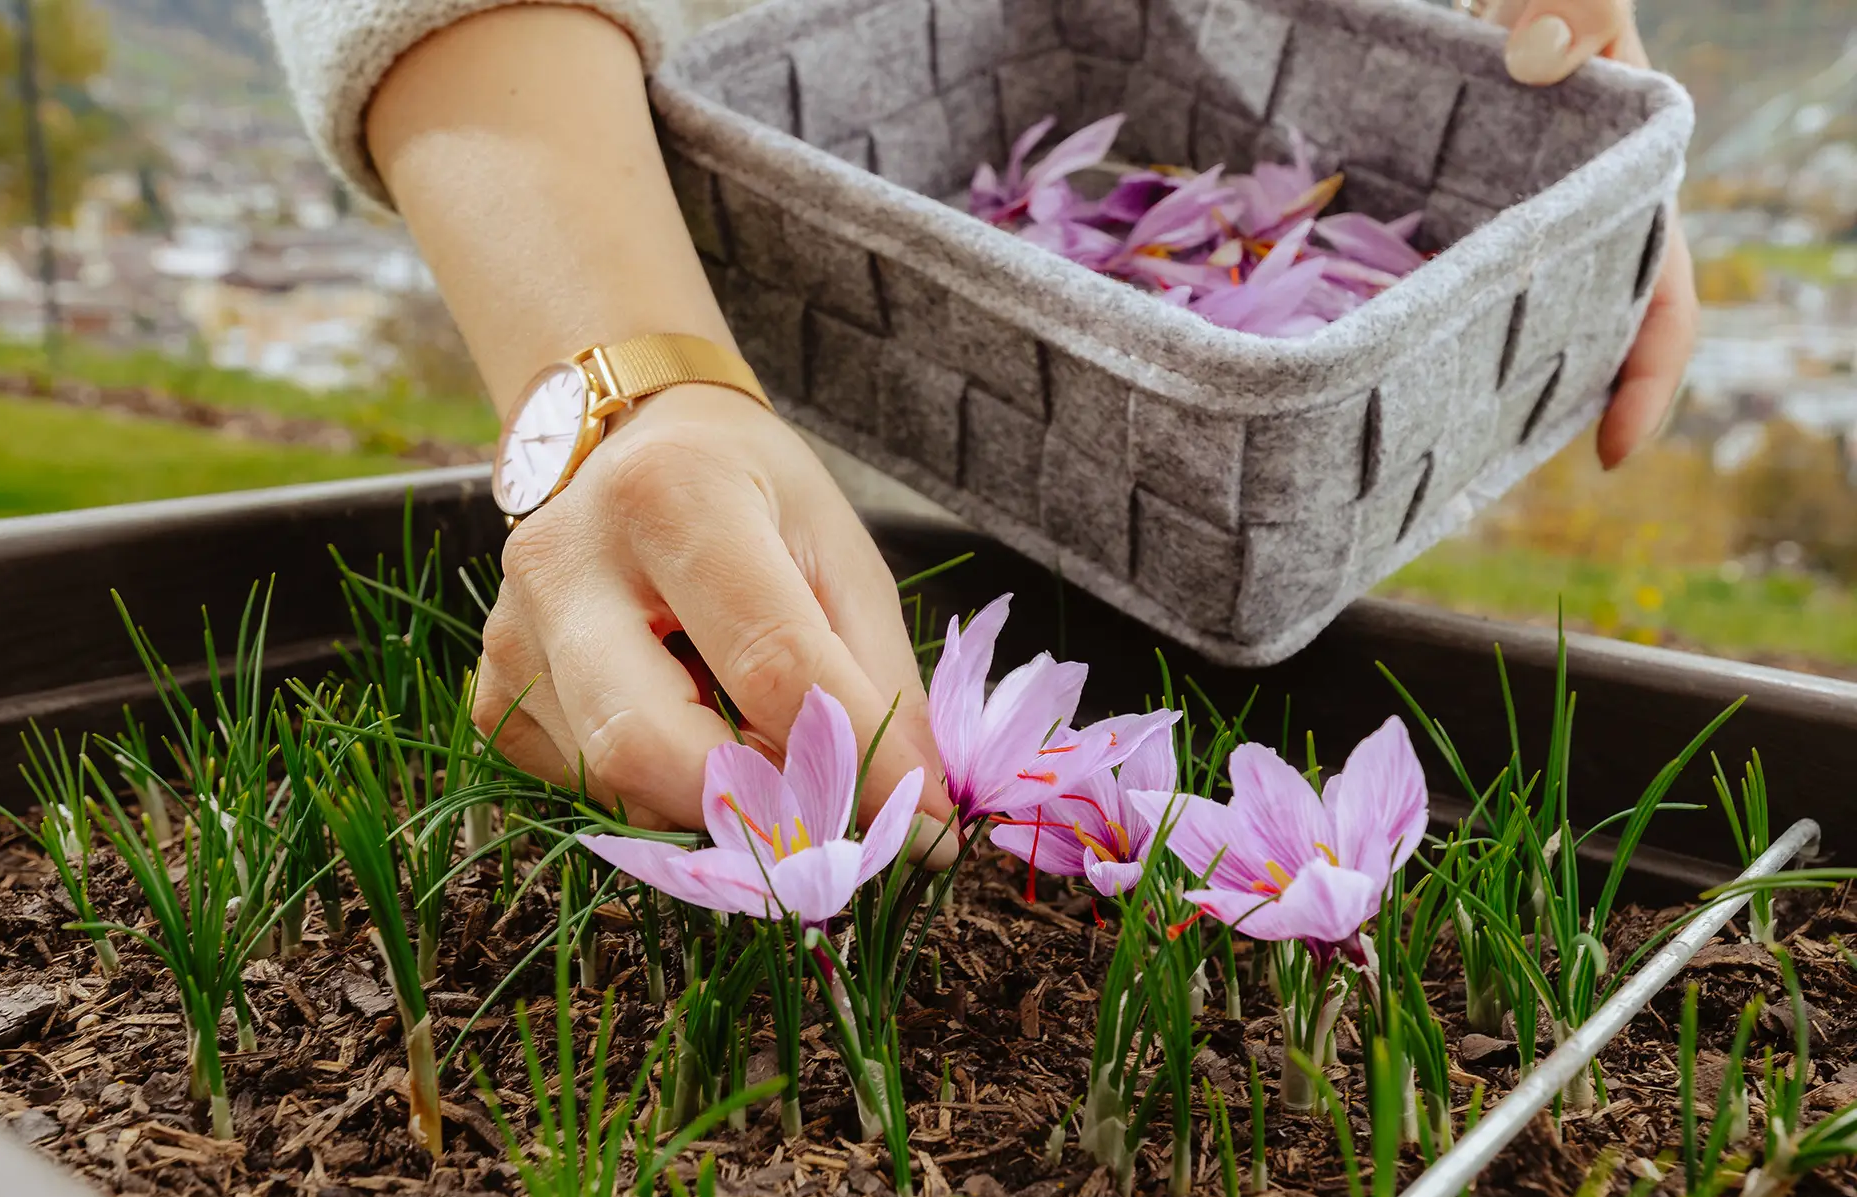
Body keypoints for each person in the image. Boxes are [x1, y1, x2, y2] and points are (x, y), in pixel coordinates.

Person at [262, 0, 1695, 839]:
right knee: (746, 620)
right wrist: (617, 372)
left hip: (1271, 446)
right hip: (659, 226)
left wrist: (1550, 153)